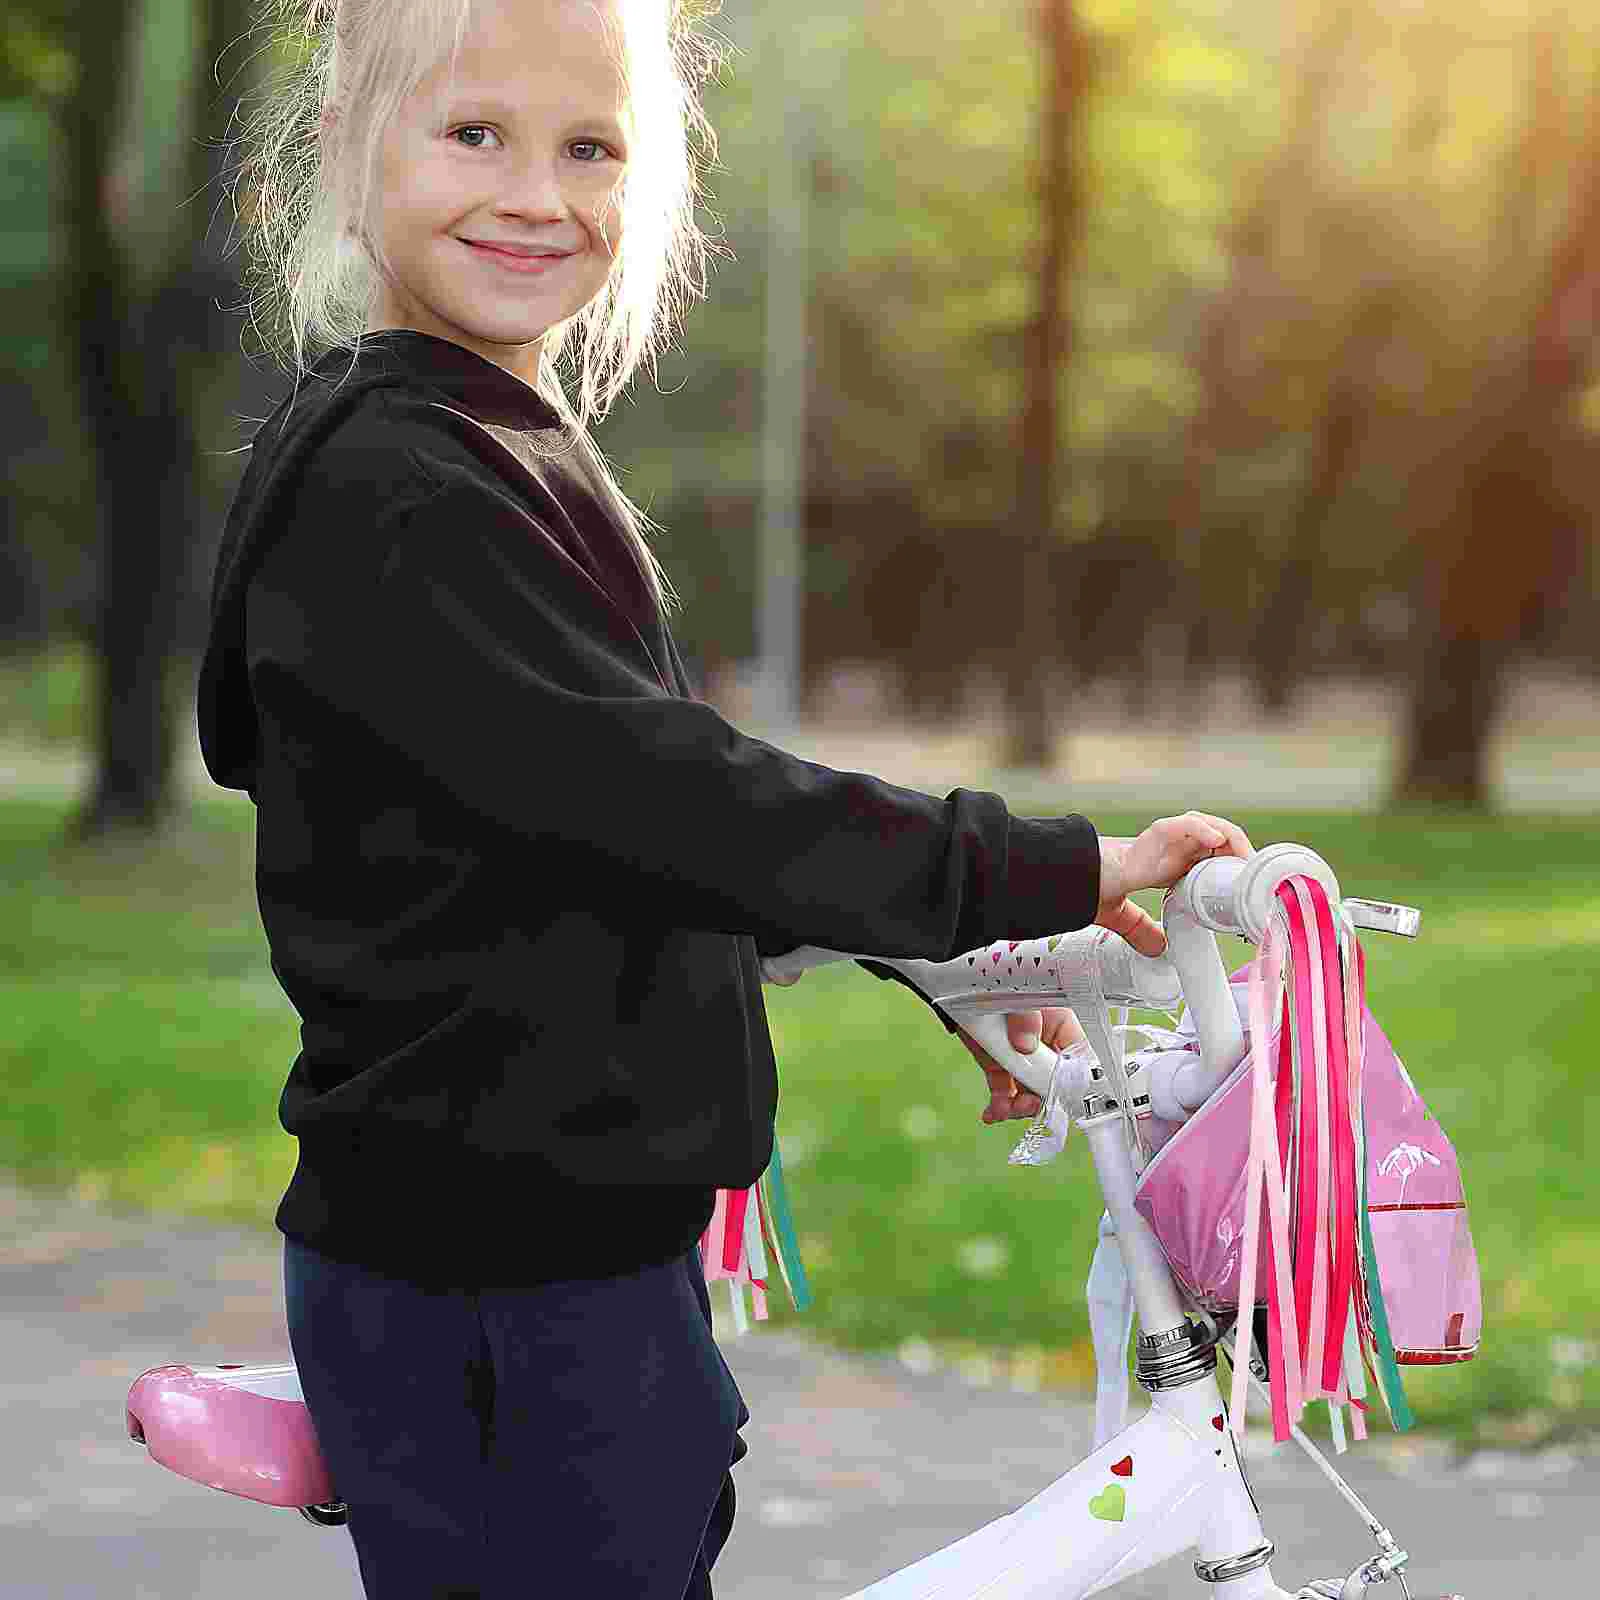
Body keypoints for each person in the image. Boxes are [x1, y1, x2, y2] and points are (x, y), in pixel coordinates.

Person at [197, 2, 1253, 1595]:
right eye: (472, 133)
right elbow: (673, 796)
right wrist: (1028, 867)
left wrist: (937, 960)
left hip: (552, 1251)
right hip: (499, 1277)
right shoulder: (398, 489)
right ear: (350, 159)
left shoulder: (494, 447)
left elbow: (581, 849)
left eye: (590, 147)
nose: (536, 192)